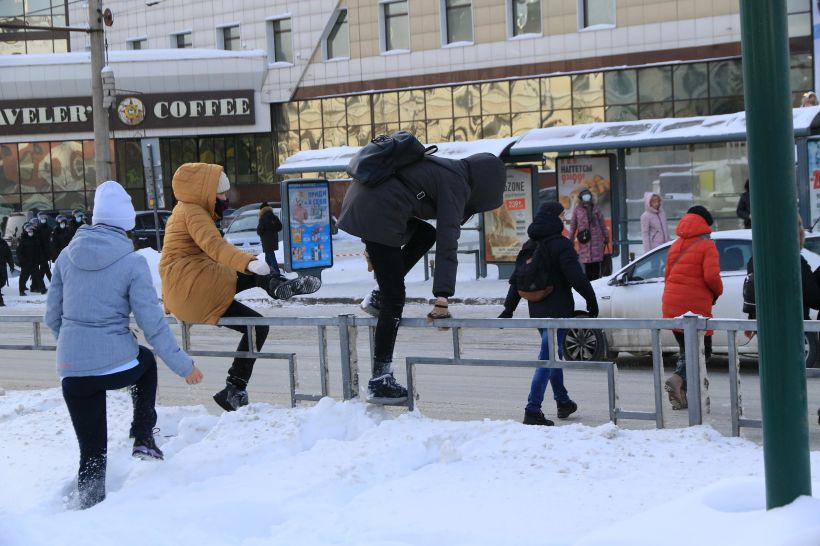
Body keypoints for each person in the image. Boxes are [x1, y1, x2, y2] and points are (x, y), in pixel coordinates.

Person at [44, 181, 203, 510]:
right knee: (144, 364)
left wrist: (74, 349)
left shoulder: (65, 256)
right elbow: (152, 325)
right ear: (126, 223)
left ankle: (89, 508)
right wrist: (185, 367)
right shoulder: (132, 263)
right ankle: (143, 435)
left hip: (72, 372)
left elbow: (52, 317)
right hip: (116, 365)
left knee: (92, 451)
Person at [339, 152, 506, 403]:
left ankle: (378, 296)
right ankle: (380, 380)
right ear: (486, 185)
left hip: (367, 204)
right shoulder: (457, 184)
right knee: (395, 297)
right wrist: (442, 297)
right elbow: (448, 241)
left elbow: (387, 189)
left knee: (425, 234)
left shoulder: (448, 169)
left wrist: (368, 240)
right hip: (380, 213)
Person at [159, 163, 320, 412]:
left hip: (189, 290)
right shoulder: (193, 212)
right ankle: (277, 287)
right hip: (196, 288)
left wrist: (249, 263)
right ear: (204, 192)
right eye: (220, 193)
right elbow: (216, 248)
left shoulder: (183, 211)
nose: (225, 198)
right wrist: (249, 262)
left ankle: (234, 390)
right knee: (251, 275)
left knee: (256, 325)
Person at [498, 202, 599, 426]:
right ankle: (532, 409)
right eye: (563, 216)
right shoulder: (561, 245)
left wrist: (509, 308)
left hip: (537, 310)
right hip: (559, 311)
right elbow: (577, 277)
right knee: (547, 358)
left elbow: (517, 280)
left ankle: (563, 401)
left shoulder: (529, 244)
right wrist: (591, 300)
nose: (564, 220)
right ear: (555, 218)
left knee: (552, 354)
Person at [661, 205, 723, 410]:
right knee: (702, 351)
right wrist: (717, 292)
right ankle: (677, 379)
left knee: (686, 351)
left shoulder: (676, 244)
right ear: (705, 223)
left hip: (672, 304)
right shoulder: (707, 245)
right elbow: (711, 277)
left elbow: (667, 275)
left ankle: (682, 397)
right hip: (694, 306)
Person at [568, 188, 608, 280]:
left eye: (588, 195)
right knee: (587, 264)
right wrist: (571, 238)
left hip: (596, 240)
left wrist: (606, 236)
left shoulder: (596, 208)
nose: (587, 198)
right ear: (580, 198)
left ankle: (597, 282)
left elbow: (602, 224)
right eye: (584, 196)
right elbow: (573, 225)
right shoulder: (577, 210)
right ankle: (589, 282)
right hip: (584, 239)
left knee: (596, 264)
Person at [17, 221, 45, 296]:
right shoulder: (23, 240)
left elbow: (39, 250)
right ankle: (21, 290)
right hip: (26, 262)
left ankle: (43, 289)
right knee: (23, 277)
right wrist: (21, 260)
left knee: (38, 276)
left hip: (34, 261)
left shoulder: (35, 239)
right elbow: (19, 252)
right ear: (26, 232)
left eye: (31, 231)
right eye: (29, 231)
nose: (31, 232)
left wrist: (40, 259)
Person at [256, 202, 283, 277]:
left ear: (262, 210)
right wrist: (272, 230)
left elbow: (259, 230)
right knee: (268, 257)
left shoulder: (263, 218)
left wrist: (263, 232)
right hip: (273, 239)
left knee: (270, 256)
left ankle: (276, 272)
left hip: (266, 241)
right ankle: (269, 271)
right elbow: (280, 227)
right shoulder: (274, 217)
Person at [0, 235, 13, 306]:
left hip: (2, 265)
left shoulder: (3, 243)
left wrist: (11, 264)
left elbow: (8, 254)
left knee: (3, 282)